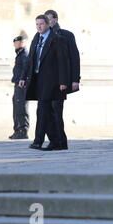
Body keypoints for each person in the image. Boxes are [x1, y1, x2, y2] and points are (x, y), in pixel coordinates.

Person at [19, 15, 69, 151]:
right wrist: (23, 77)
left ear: (48, 24)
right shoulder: (36, 38)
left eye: (41, 24)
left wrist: (64, 82)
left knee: (44, 112)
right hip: (38, 81)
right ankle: (52, 142)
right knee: (43, 112)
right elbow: (30, 59)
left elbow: (62, 62)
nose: (39, 26)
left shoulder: (58, 39)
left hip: (52, 82)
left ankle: (42, 141)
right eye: (37, 24)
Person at [44, 10, 81, 150]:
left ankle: (59, 142)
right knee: (46, 111)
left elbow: (74, 58)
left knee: (56, 110)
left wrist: (75, 79)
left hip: (61, 81)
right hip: (46, 82)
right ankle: (56, 141)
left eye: (49, 19)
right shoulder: (42, 36)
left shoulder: (66, 35)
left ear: (55, 19)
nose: (47, 22)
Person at [9, 36, 29, 140]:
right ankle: (17, 130)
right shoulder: (20, 54)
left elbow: (26, 69)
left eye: (16, 43)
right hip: (18, 83)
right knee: (17, 107)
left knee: (21, 107)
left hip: (22, 84)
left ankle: (22, 130)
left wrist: (22, 79)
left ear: (21, 43)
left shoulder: (24, 54)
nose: (15, 45)